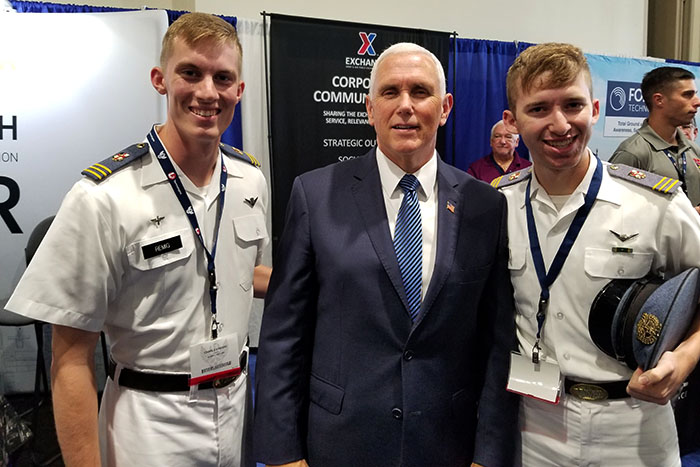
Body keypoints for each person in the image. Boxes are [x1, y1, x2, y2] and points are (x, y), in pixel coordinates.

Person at [5, 12, 269, 466]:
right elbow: (70, 360)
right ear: (160, 80)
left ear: (239, 91)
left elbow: (249, 273)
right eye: (191, 72)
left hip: (234, 406)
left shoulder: (249, 179)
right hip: (150, 422)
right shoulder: (104, 196)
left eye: (223, 77)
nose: (208, 92)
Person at [253, 42, 518, 467]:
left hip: (448, 445)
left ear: (445, 107)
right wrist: (283, 455)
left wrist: (489, 455)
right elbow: (284, 335)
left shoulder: (484, 205)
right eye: (391, 93)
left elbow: (498, 342)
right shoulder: (315, 194)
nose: (406, 106)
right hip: (339, 443)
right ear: (370, 108)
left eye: (420, 91)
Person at [498, 42, 700, 466]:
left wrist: (684, 358)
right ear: (513, 121)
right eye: (538, 109)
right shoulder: (496, 206)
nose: (560, 124)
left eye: (572, 105)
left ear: (593, 108)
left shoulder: (655, 203)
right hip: (531, 426)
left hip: (634, 425)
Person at [609, 66, 700, 213]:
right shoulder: (633, 153)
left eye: (695, 94)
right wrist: (682, 218)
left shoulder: (692, 150)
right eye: (687, 95)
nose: (697, 102)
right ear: (659, 100)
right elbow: (613, 212)